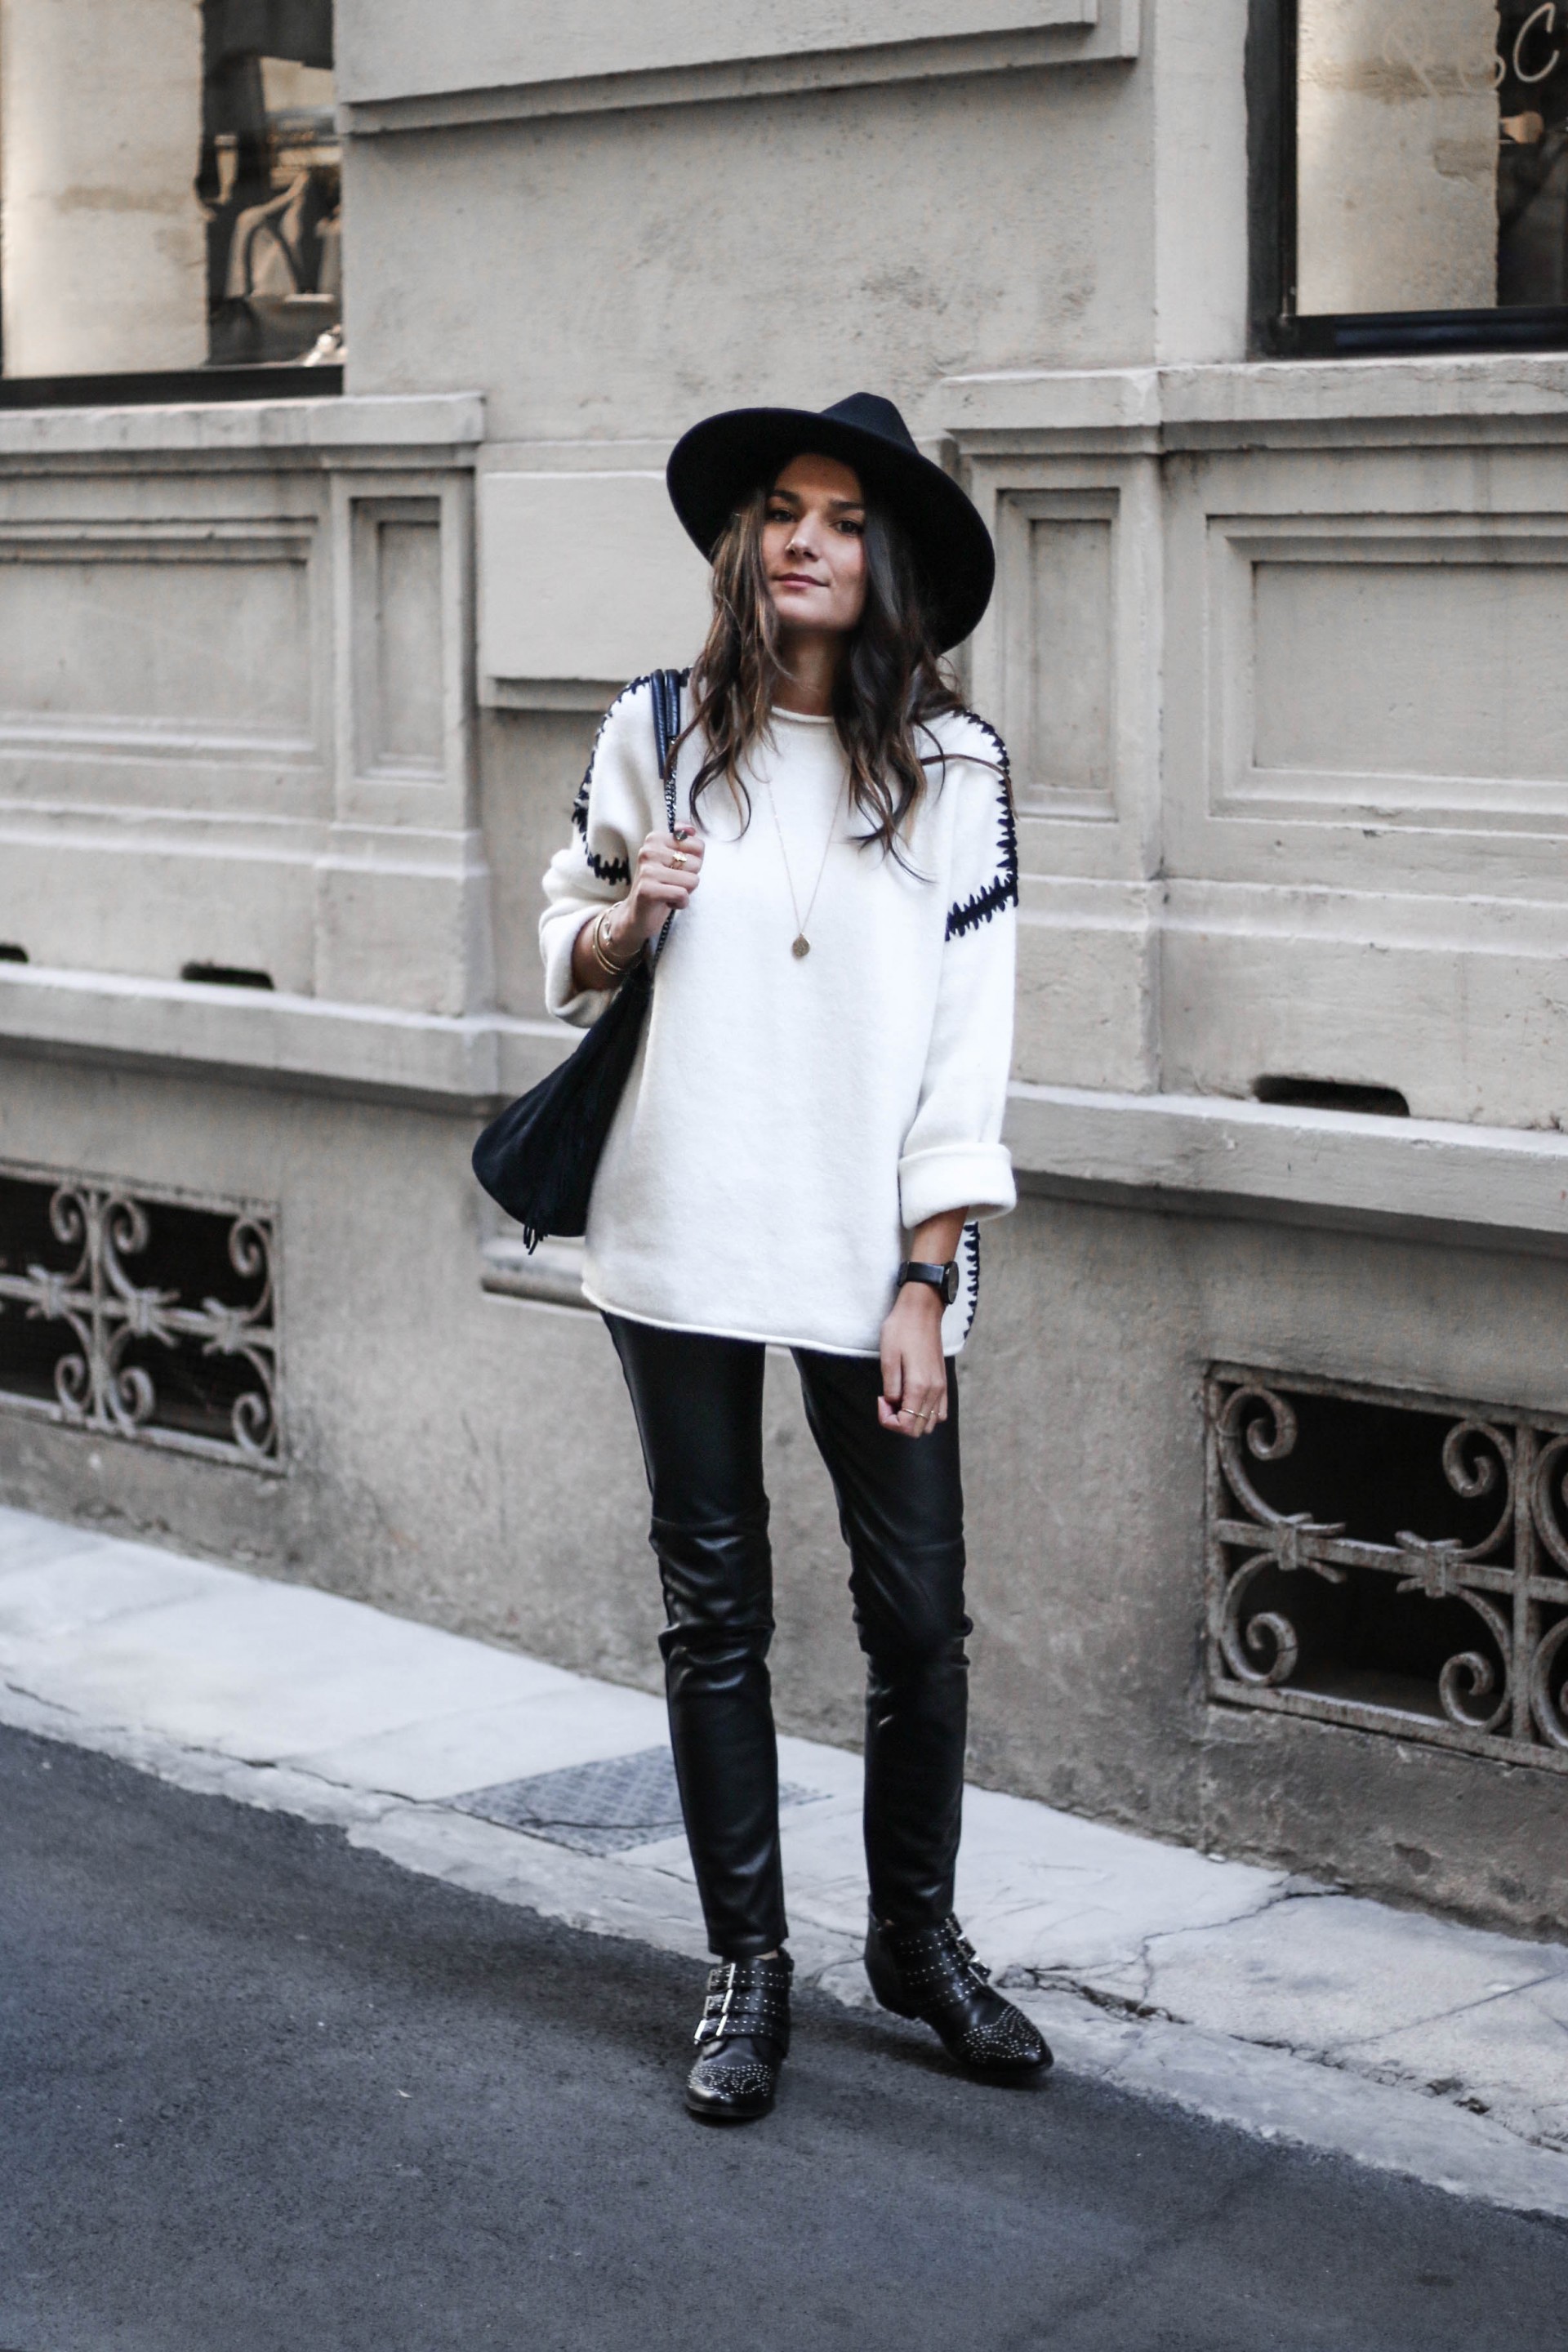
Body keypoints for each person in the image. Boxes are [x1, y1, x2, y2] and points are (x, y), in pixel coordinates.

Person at [539, 392, 1049, 2123]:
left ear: (887, 556)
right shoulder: (658, 727)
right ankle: (747, 1967)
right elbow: (565, 924)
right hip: (682, 1224)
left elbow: (968, 1047)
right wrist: (633, 916)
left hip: (865, 1251)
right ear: (745, 542)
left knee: (920, 1622)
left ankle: (914, 1940)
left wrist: (925, 1279)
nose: (805, 540)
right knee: (715, 1612)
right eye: (781, 510)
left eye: (842, 517)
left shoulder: (960, 771)